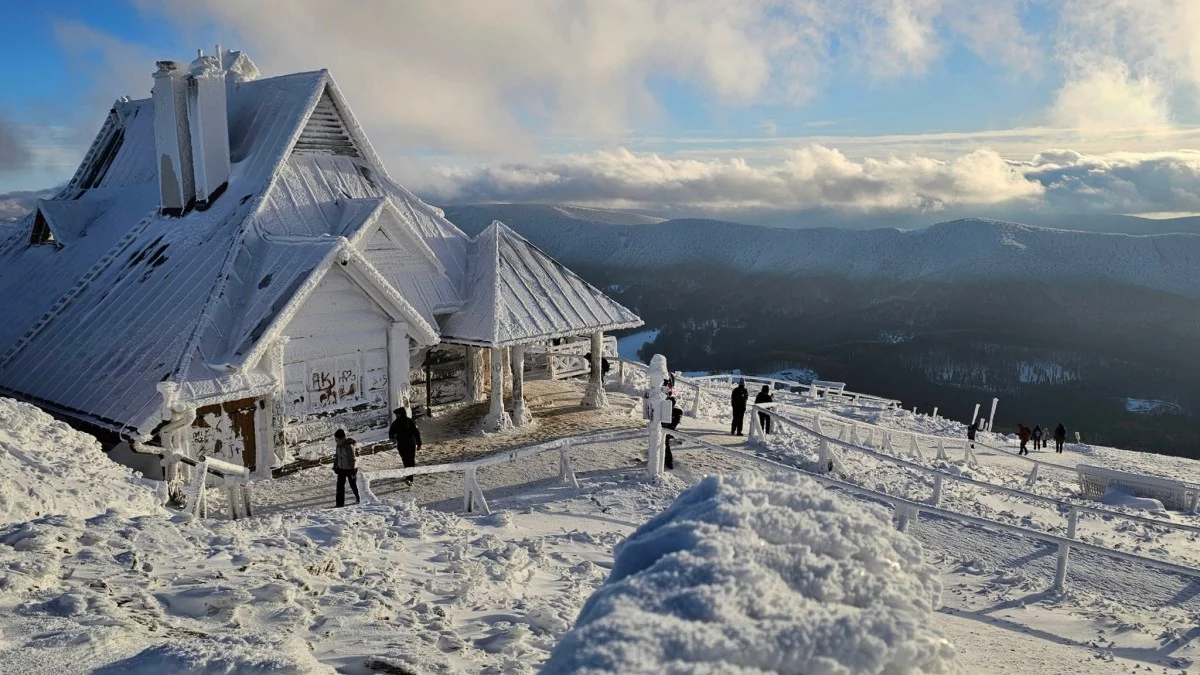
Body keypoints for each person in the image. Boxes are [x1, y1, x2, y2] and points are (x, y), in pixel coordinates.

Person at [389, 407, 423, 486]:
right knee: (409, 460)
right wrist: (419, 443)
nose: (397, 416)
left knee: (407, 460)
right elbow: (416, 433)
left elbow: (391, 434)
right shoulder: (407, 421)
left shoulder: (401, 422)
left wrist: (393, 438)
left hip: (406, 444)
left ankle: (409, 477)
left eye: (397, 414)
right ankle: (409, 476)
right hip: (407, 444)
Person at [333, 429, 360, 507]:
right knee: (340, 487)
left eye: (337, 439)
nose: (336, 441)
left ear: (342, 438)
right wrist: (335, 466)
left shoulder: (349, 446)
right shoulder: (338, 445)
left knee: (353, 485)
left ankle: (359, 498)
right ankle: (339, 504)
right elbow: (337, 456)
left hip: (350, 469)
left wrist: (352, 471)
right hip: (341, 469)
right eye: (335, 439)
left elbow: (352, 459)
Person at [662, 403, 683, 470]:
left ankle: (668, 461)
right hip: (671, 417)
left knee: (665, 440)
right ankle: (666, 460)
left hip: (672, 417)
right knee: (664, 440)